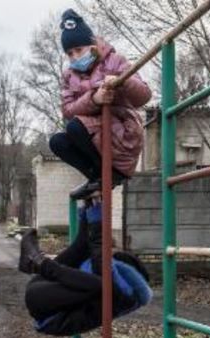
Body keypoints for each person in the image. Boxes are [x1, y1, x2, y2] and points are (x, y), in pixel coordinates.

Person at [52, 9, 152, 200]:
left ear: (93, 45)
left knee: (75, 126)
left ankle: (107, 175)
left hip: (122, 136)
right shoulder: (69, 76)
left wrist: (122, 80)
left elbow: (144, 96)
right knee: (57, 141)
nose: (74, 57)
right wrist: (94, 99)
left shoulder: (115, 61)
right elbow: (67, 110)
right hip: (94, 138)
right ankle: (99, 177)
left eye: (79, 50)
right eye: (69, 53)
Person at [18, 200, 152, 337]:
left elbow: (101, 261)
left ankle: (38, 263)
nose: (111, 258)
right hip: (44, 294)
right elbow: (83, 248)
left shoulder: (121, 296)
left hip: (52, 315)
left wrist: (98, 223)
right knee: (82, 254)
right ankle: (35, 261)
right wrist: (87, 216)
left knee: (100, 284)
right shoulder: (120, 289)